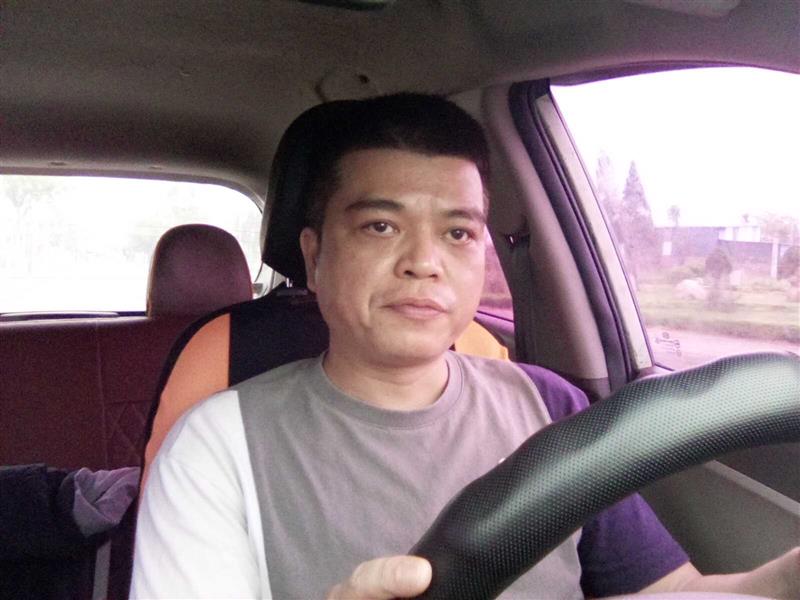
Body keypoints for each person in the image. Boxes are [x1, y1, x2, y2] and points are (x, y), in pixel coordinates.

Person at [131, 93, 799, 599]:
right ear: (314, 257)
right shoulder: (215, 446)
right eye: (381, 226)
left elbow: (665, 591)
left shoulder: (550, 406)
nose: (425, 262)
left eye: (458, 234)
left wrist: (775, 585)